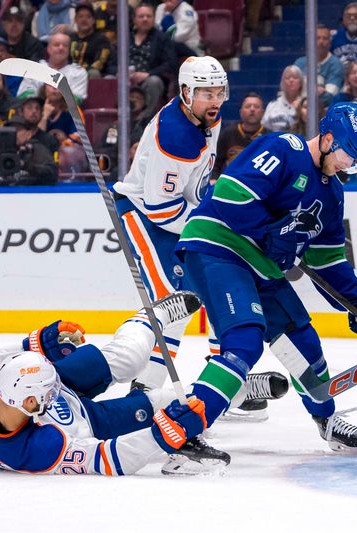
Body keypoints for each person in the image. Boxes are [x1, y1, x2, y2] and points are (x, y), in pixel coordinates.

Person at [171, 102, 357, 458]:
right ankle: (182, 431)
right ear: (327, 138)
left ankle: (327, 420)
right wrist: (270, 234)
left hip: (260, 264)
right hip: (218, 246)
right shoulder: (284, 149)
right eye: (348, 154)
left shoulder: (332, 193)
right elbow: (229, 195)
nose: (350, 165)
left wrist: (356, 304)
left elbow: (326, 259)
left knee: (303, 340)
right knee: (245, 343)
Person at [0, 292, 288, 476]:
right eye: (49, 392)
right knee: (175, 401)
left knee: (128, 358)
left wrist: (39, 342)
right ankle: (239, 391)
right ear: (28, 404)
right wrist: (160, 435)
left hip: (60, 398)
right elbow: (107, 458)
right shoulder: (36, 450)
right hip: (91, 421)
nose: (55, 390)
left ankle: (150, 317)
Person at [112, 56, 227, 393]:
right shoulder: (175, 136)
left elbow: (196, 181)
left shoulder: (208, 117)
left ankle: (219, 376)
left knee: (202, 291)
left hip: (179, 213)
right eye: (207, 93)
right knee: (172, 301)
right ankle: (145, 388)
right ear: (186, 92)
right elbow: (161, 210)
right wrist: (209, 225)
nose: (215, 100)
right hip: (141, 215)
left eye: (219, 92)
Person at [129, 4, 178, 117]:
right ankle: (113, 119)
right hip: (126, 78)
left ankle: (145, 120)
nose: (145, 19)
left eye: (148, 16)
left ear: (154, 18)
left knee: (154, 81)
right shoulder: (125, 37)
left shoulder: (162, 38)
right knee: (109, 79)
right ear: (134, 19)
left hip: (149, 78)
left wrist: (148, 74)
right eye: (141, 16)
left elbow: (171, 64)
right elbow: (112, 63)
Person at [0, 115, 59, 186]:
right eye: (9, 130)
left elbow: (52, 173)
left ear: (28, 134)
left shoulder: (36, 149)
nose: (13, 134)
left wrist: (26, 165)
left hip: (30, 193)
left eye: (17, 130)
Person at [17, 31, 89, 106]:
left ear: (69, 50)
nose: (61, 48)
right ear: (48, 49)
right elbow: (22, 95)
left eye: (65, 45)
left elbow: (77, 100)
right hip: (36, 114)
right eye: (56, 45)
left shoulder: (79, 72)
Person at [214, 92, 265, 179]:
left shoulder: (269, 137)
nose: (252, 109)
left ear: (263, 112)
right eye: (248, 106)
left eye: (256, 107)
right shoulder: (227, 134)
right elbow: (216, 164)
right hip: (231, 183)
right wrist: (214, 179)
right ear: (241, 112)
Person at [294, 25, 344, 106]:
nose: (321, 41)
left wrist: (303, 99)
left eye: (325, 38)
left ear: (330, 43)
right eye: (317, 38)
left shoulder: (336, 64)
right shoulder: (299, 63)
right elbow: (291, 91)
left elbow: (329, 96)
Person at [70, 2, 113, 79]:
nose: (84, 19)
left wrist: (80, 73)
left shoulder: (101, 39)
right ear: (75, 20)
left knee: (94, 73)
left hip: (90, 76)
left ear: (93, 20)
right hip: (69, 74)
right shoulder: (70, 38)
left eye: (88, 16)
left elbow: (99, 63)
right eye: (80, 16)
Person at [262, 65, 304, 133]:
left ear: (301, 82)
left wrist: (299, 111)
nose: (291, 80)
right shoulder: (272, 105)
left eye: (295, 77)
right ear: (282, 82)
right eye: (287, 78)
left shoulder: (306, 105)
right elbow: (265, 128)